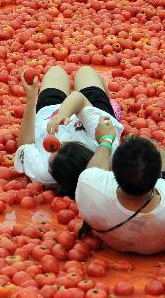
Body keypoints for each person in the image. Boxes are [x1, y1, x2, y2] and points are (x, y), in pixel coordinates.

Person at [75, 113, 165, 254]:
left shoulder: (89, 186)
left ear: (113, 172)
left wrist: (106, 140)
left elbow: (92, 171)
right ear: (160, 175)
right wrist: (106, 139)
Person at [14, 66, 124, 199]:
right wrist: (63, 114)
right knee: (85, 72)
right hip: (93, 113)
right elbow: (78, 98)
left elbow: (24, 144)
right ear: (84, 149)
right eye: (63, 144)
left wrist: (31, 100)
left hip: (48, 112)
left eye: (52, 150)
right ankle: (109, 103)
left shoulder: (42, 173)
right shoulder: (102, 144)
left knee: (56, 71)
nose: (56, 141)